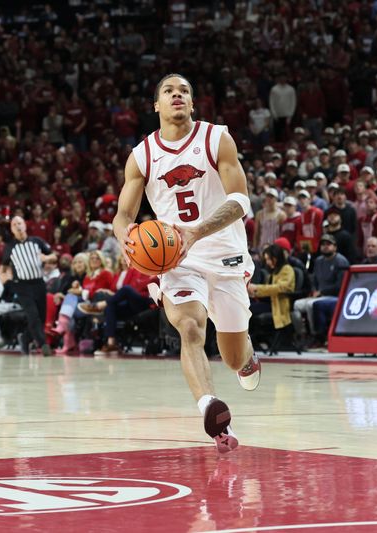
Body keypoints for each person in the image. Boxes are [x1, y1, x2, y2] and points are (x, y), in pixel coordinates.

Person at [113, 73, 260, 454]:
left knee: (232, 358)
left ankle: (246, 354)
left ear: (192, 104)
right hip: (175, 258)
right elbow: (122, 216)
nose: (177, 95)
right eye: (168, 91)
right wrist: (127, 241)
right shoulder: (142, 155)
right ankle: (211, 409)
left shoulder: (216, 138)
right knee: (190, 327)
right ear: (156, 105)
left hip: (224, 253)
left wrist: (195, 231)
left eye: (184, 91)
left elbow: (241, 200)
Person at [0, 216, 57, 356]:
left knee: (41, 318)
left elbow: (54, 256)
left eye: (19, 223)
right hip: (21, 285)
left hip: (38, 283)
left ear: (25, 225)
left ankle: (25, 338)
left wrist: (47, 258)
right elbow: (3, 267)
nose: (18, 226)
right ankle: (43, 345)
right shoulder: (9, 247)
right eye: (14, 225)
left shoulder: (37, 241)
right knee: (33, 315)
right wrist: (5, 280)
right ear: (12, 230)